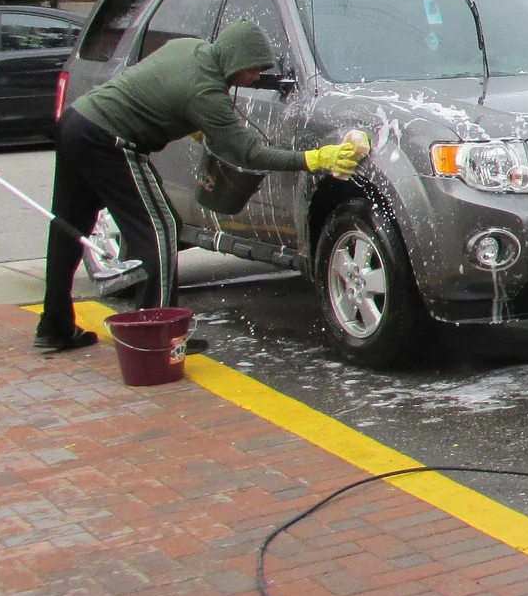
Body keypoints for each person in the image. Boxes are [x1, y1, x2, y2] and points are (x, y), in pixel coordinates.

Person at [35, 20, 361, 353]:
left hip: (76, 123)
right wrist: (318, 159)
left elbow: (158, 87)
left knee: (68, 229)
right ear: (237, 61)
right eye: (253, 70)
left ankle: (54, 327)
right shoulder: (206, 92)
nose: (255, 78)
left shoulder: (189, 47)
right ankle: (158, 340)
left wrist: (193, 123)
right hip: (110, 140)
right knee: (160, 230)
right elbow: (250, 152)